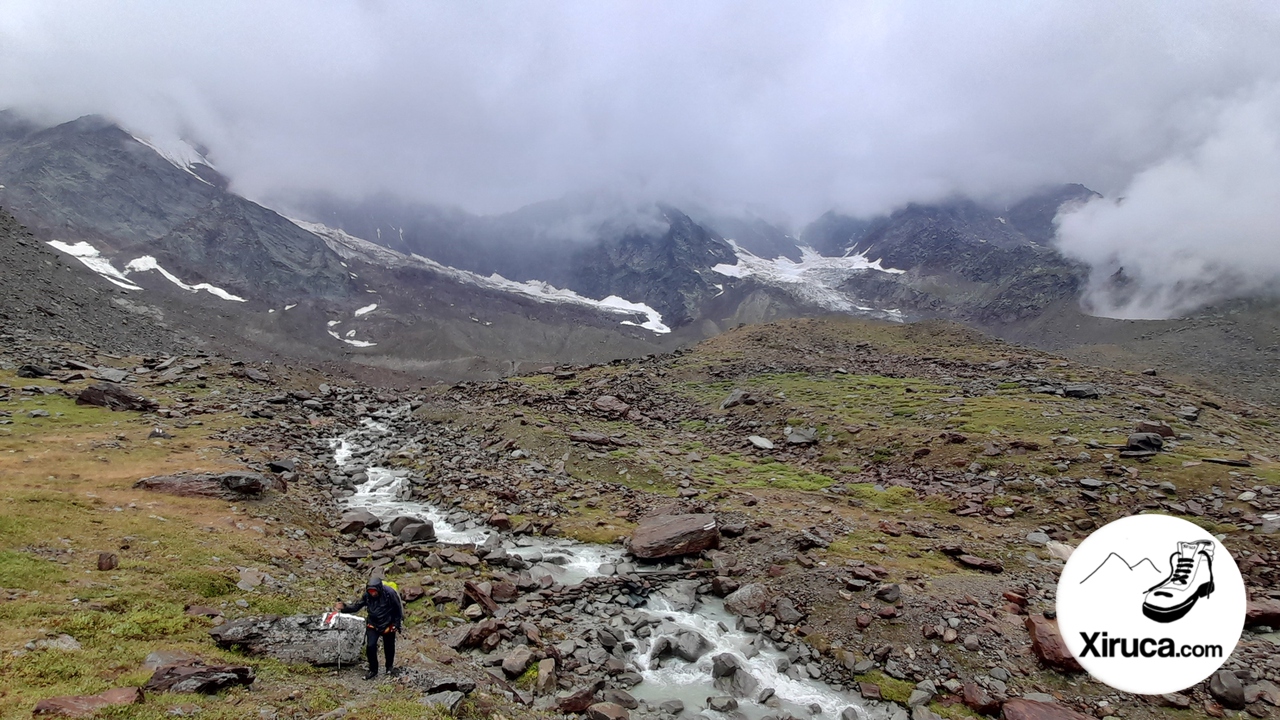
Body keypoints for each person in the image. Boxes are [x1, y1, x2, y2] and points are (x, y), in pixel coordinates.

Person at [335, 577, 404, 679]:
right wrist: (344, 607)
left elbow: (398, 609)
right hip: (373, 624)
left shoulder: (390, 593)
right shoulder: (367, 595)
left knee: (389, 647)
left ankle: (389, 667)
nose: (372, 593)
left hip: (388, 623)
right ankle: (373, 670)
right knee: (370, 646)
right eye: (370, 591)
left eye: (374, 591)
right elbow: (356, 607)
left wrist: (396, 624)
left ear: (379, 589)